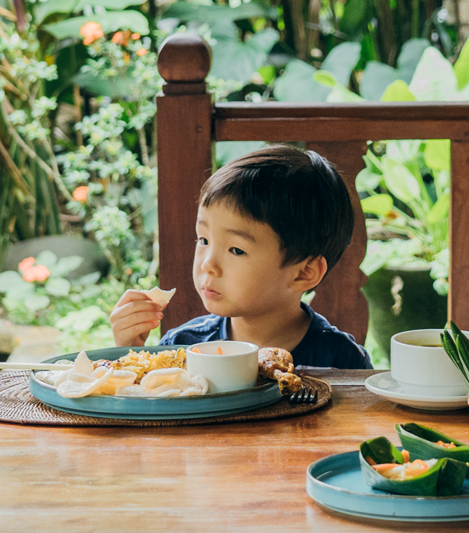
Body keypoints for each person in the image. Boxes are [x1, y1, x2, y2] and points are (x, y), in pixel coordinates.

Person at [109, 144, 371, 367]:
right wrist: (128, 354)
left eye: (236, 250)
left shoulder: (342, 360)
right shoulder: (183, 348)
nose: (207, 264)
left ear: (304, 272)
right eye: (204, 240)